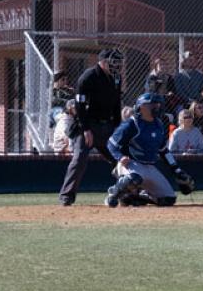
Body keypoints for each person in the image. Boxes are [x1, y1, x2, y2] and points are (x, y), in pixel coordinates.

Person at [58, 49, 124, 206]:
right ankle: (66, 196)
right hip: (89, 125)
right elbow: (80, 106)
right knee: (80, 159)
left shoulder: (116, 78)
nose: (117, 66)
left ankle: (128, 192)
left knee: (120, 159)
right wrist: (86, 129)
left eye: (119, 63)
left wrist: (118, 126)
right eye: (114, 63)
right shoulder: (88, 77)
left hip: (107, 125)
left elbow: (116, 103)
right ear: (103, 62)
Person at [105, 93, 195, 207]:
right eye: (153, 105)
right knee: (134, 178)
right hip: (131, 164)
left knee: (168, 199)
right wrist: (120, 157)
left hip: (149, 166)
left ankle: (136, 196)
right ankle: (113, 193)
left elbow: (163, 150)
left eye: (158, 104)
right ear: (142, 107)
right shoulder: (132, 124)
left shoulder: (158, 124)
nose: (157, 107)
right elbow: (111, 144)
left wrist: (176, 169)